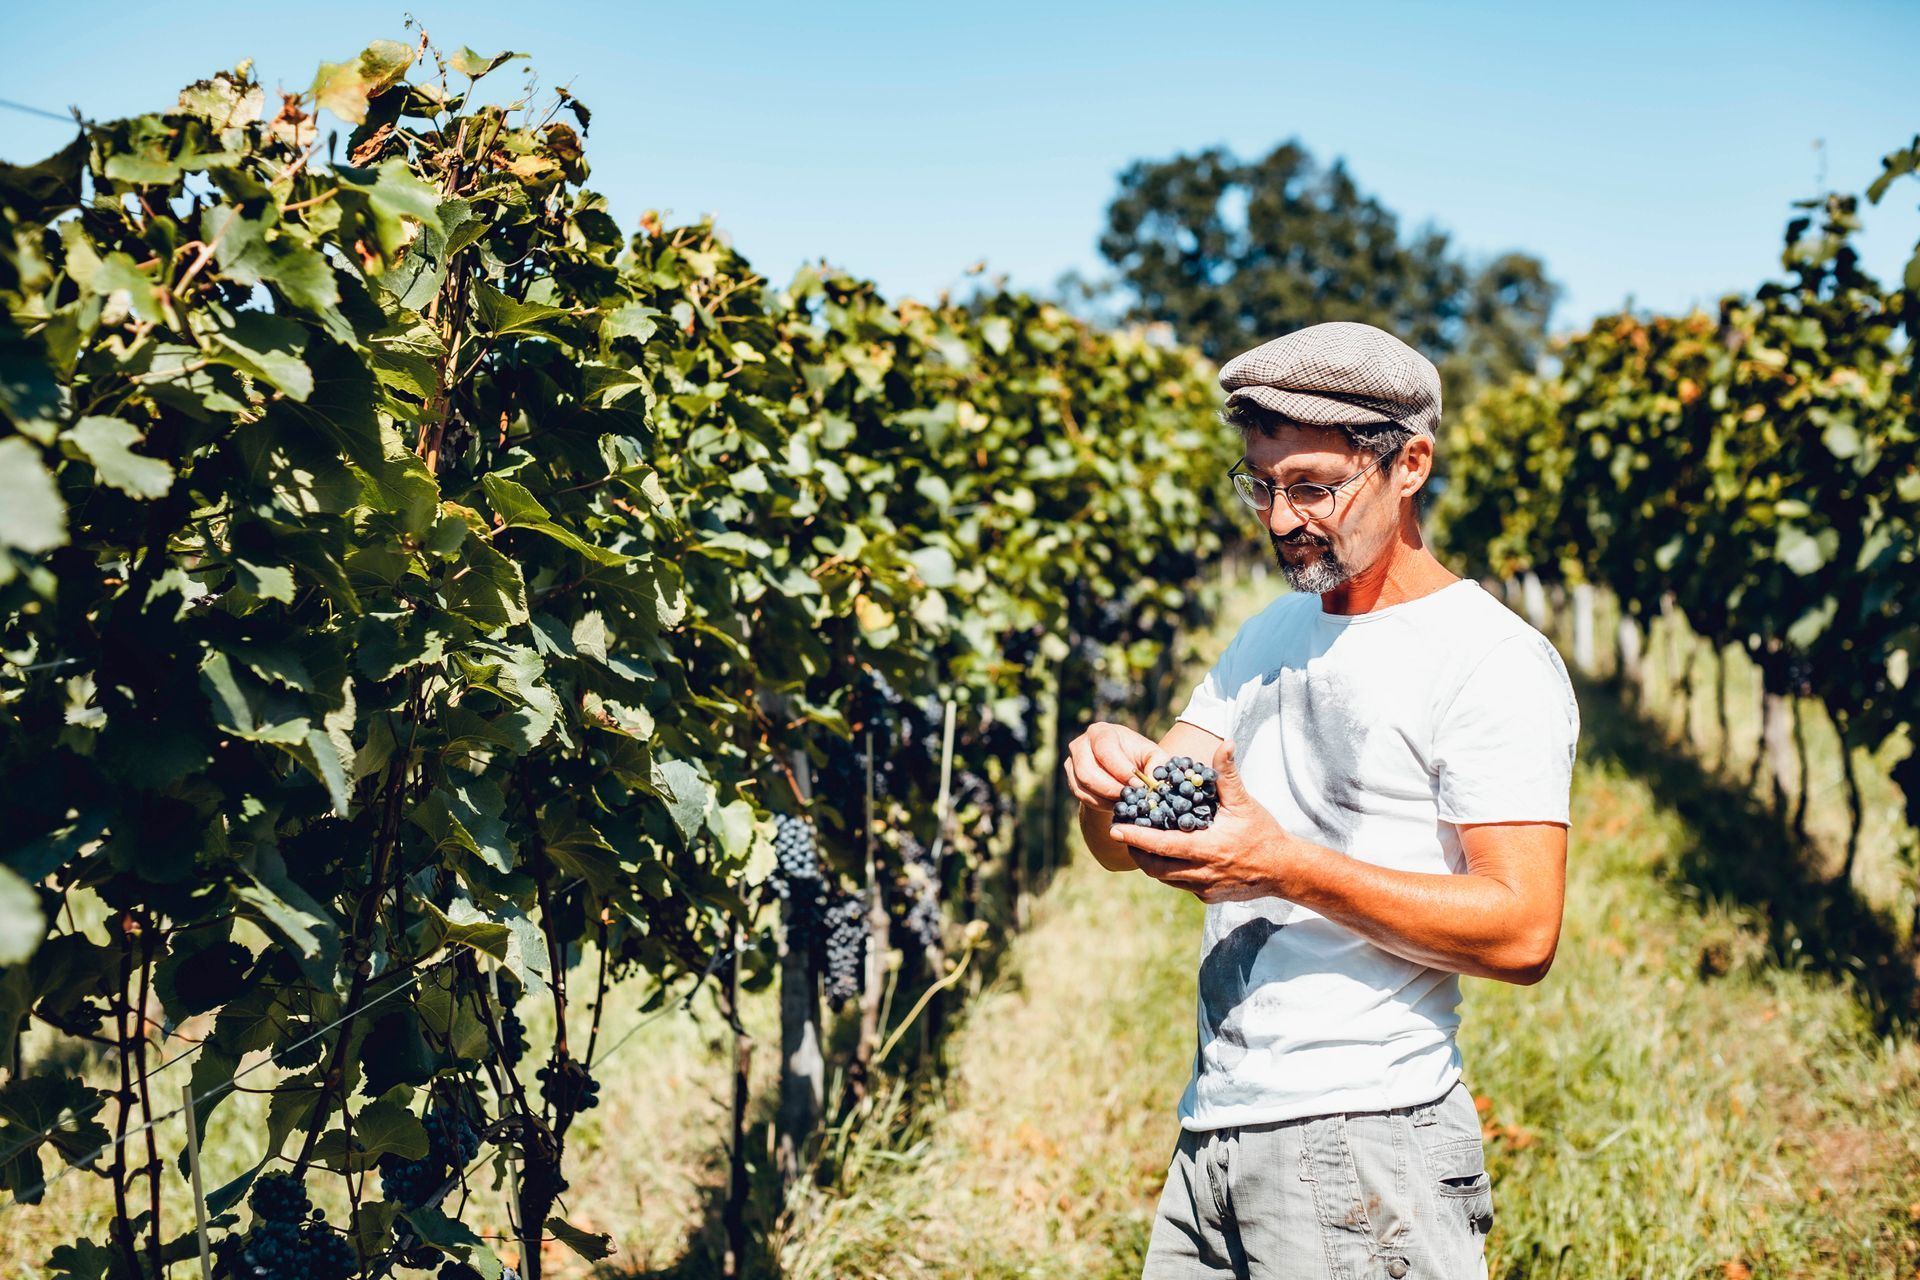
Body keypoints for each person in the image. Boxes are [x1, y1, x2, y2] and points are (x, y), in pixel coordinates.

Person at [1062, 321, 1580, 1280]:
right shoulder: (1267, 635)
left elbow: (1523, 931)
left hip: (1369, 1143)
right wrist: (1107, 778)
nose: (1280, 518)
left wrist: (1285, 865)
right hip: (1215, 1127)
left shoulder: (1489, 661)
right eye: (1261, 485)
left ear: (1410, 463)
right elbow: (1126, 840)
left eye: (1312, 486)